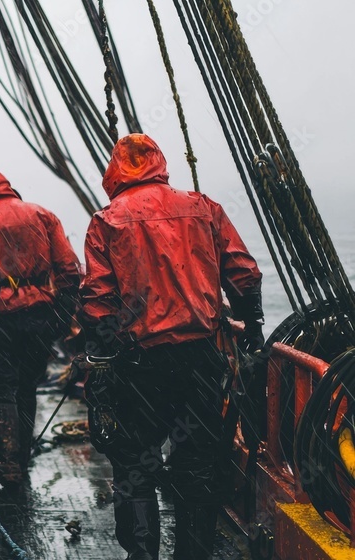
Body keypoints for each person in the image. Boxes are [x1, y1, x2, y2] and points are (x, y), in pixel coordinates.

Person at [78, 134, 263, 560]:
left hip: (140, 365)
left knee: (135, 464)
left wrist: (101, 369)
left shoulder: (107, 220)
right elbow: (244, 272)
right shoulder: (202, 207)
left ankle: (142, 553)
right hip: (200, 359)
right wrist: (252, 325)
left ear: (115, 170)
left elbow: (99, 301)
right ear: (159, 163)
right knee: (198, 464)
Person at [0, 169, 81, 488]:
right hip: (40, 314)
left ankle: (7, 463)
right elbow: (69, 269)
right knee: (27, 385)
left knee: (0, 387)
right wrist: (63, 313)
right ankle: (22, 457)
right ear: (8, 189)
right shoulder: (42, 215)